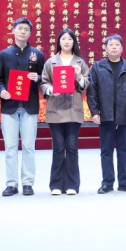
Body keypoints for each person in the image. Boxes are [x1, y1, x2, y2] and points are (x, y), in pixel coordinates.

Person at [0, 18, 45, 196]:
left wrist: (38, 78)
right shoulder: (4, 54)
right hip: (9, 106)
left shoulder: (37, 54)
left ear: (30, 33)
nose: (23, 32)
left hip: (29, 106)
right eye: (20, 28)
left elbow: (44, 78)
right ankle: (11, 184)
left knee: (29, 146)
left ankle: (28, 183)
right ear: (13, 30)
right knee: (10, 147)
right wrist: (1, 90)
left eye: (26, 29)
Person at [86, 34, 126, 194]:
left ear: (122, 48)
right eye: (111, 44)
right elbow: (92, 92)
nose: (114, 47)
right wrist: (95, 112)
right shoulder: (98, 67)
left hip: (124, 116)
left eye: (117, 44)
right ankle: (107, 183)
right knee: (106, 151)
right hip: (105, 116)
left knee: (124, 151)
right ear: (106, 48)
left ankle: (125, 182)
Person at [40, 29, 90, 195]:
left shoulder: (80, 62)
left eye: (70, 39)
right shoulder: (51, 62)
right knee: (58, 148)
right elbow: (44, 82)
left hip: (73, 110)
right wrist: (50, 90)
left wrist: (79, 77)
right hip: (55, 110)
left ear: (74, 42)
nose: (67, 41)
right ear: (59, 42)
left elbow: (87, 84)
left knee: (72, 147)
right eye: (63, 39)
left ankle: (72, 185)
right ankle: (56, 185)